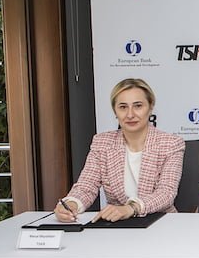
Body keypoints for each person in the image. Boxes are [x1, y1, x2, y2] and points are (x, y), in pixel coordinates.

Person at [54, 78, 185, 222]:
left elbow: (166, 193)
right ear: (115, 111)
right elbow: (86, 186)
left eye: (138, 106)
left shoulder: (171, 144)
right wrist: (71, 204)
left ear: (150, 107)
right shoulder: (102, 143)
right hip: (117, 225)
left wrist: (131, 208)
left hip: (162, 222)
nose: (130, 114)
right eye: (123, 107)